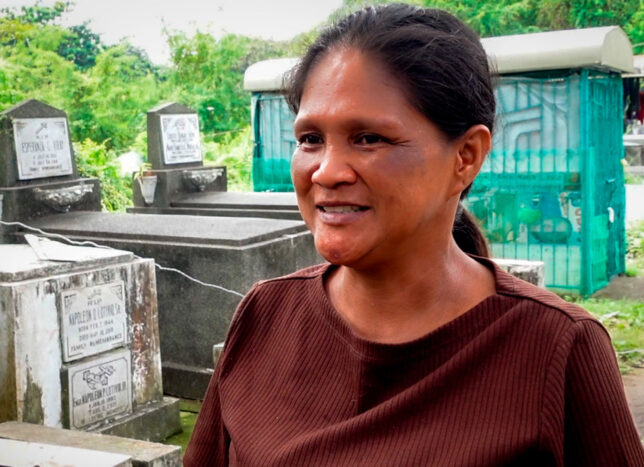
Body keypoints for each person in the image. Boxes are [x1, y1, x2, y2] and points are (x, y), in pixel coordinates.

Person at [185, 4, 644, 465]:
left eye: (368, 138)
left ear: (465, 156)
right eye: (310, 139)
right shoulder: (265, 315)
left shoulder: (557, 348)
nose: (326, 171)